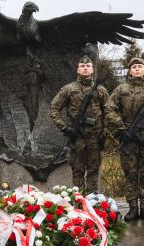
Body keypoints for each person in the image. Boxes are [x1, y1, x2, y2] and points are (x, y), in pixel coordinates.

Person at [105, 58, 144, 222]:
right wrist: (121, 129)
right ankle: (133, 208)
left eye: (140, 66)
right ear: (129, 71)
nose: (138, 69)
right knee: (130, 173)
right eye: (134, 67)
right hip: (128, 138)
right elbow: (109, 109)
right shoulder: (120, 89)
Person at [50, 55, 109, 193]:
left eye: (88, 66)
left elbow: (109, 112)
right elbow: (54, 109)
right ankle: (79, 203)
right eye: (82, 66)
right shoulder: (68, 89)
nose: (85, 68)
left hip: (95, 138)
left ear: (92, 70)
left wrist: (105, 132)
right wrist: (65, 128)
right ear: (77, 70)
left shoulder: (101, 90)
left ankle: (92, 202)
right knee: (77, 171)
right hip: (77, 139)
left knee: (93, 171)